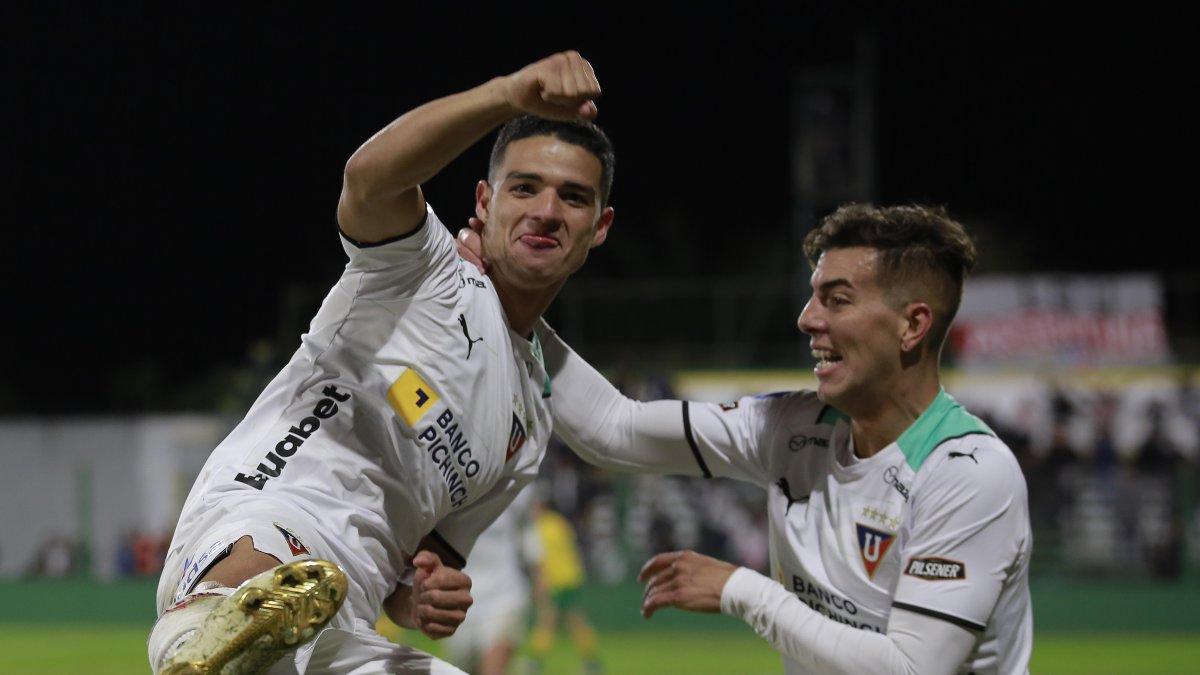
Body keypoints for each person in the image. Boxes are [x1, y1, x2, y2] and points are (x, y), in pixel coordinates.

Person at [148, 50, 615, 675]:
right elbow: (369, 178)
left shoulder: (528, 428)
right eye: (525, 187)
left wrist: (425, 597)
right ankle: (204, 631)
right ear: (484, 200)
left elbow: (417, 575)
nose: (546, 211)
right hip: (268, 516)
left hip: (342, 619)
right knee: (255, 606)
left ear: (600, 226)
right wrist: (507, 93)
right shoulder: (420, 266)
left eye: (573, 198)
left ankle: (217, 650)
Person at [460, 204, 1031, 673]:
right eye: (813, 296)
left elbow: (913, 669)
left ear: (913, 325)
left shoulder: (968, 472)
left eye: (837, 299)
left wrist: (742, 590)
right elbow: (615, 428)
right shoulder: (791, 428)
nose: (807, 318)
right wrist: (513, 312)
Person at [439, 486, 541, 675]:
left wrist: (538, 578)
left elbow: (528, 533)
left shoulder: (517, 481)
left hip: (505, 594)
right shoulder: (448, 480)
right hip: (461, 599)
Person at [527, 499, 602, 675]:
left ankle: (534, 664)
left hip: (555, 580)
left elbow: (541, 560)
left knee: (546, 620)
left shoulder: (538, 528)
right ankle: (592, 663)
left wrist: (539, 584)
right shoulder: (559, 522)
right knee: (576, 621)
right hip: (572, 576)